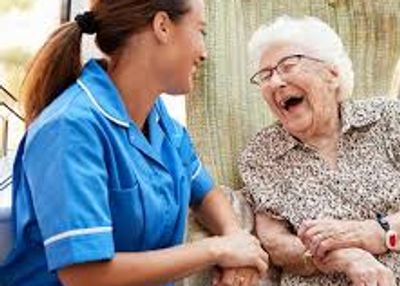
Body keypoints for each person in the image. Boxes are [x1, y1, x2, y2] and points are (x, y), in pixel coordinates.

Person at [0, 1, 269, 285]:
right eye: (200, 31)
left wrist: (236, 241)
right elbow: (84, 275)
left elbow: (204, 193)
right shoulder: (69, 129)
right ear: (162, 26)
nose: (204, 52)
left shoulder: (158, 119)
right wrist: (215, 250)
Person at [238, 15, 400, 286]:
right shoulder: (262, 153)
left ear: (332, 74)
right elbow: (275, 243)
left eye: (287, 66)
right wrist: (346, 257)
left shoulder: (389, 119)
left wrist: (370, 233)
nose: (275, 82)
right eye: (265, 75)